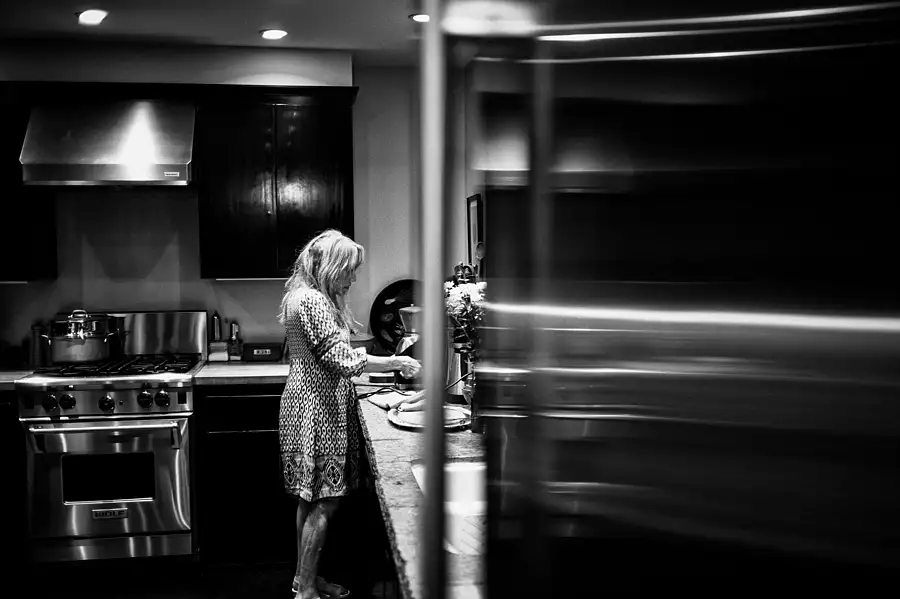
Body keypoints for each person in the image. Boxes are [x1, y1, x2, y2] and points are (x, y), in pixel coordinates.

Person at [278, 229, 421, 599]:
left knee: (309, 497)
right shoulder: (313, 301)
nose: (353, 278)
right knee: (326, 499)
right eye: (350, 270)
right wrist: (395, 362)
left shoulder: (301, 296)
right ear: (332, 266)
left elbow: (330, 350)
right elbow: (339, 358)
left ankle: (305, 579)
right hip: (317, 410)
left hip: (305, 404)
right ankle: (306, 590)